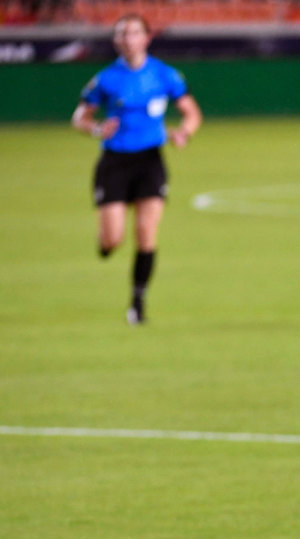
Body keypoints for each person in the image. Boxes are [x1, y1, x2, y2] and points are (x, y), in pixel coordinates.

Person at [72, 13, 202, 326]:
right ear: (116, 41)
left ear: (146, 38)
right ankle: (105, 245)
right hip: (115, 162)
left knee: (146, 234)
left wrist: (184, 131)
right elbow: (80, 117)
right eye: (122, 34)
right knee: (113, 239)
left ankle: (137, 302)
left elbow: (191, 112)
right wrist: (96, 128)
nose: (127, 40)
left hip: (150, 161)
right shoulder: (106, 79)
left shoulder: (164, 75)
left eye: (133, 33)